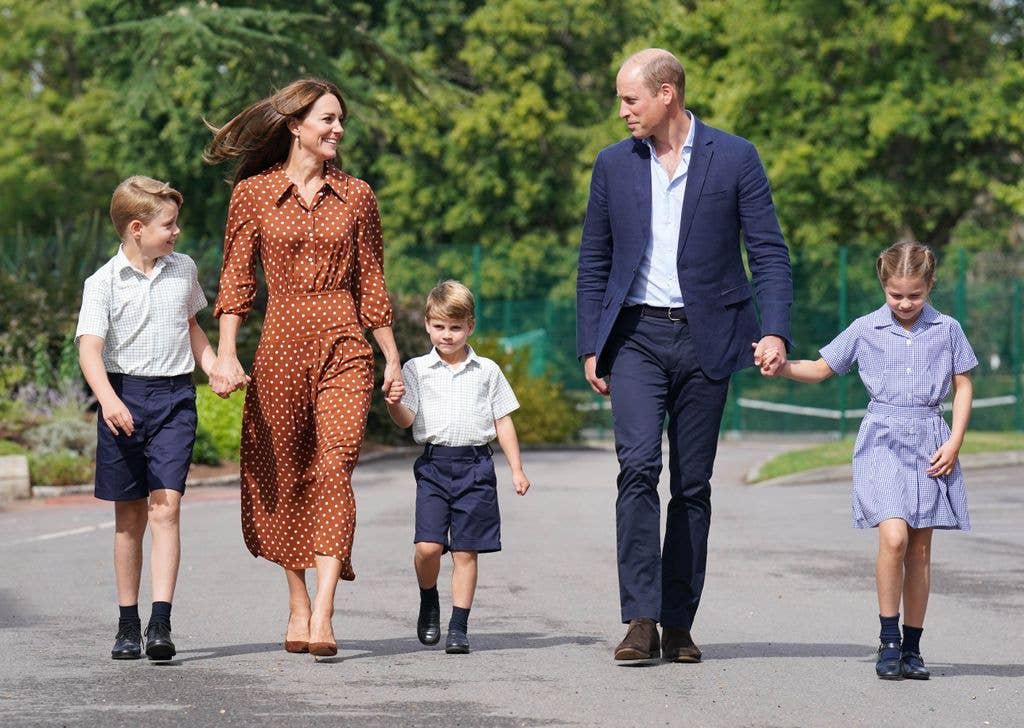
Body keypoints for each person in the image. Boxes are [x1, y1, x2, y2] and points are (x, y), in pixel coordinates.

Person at [576, 48, 793, 663]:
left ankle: (680, 623)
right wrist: (592, 342)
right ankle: (641, 620)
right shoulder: (613, 165)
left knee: (691, 485)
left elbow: (769, 253)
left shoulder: (736, 157)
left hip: (709, 339)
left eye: (630, 99)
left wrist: (774, 329)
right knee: (638, 470)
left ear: (666, 93)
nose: (622, 111)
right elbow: (593, 262)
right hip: (637, 338)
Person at [204, 78, 403, 658]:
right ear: (295, 125)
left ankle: (323, 612)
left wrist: (391, 356)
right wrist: (225, 353)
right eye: (327, 119)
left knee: (334, 467)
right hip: (281, 344)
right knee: (285, 472)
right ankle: (296, 603)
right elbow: (236, 284)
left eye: (340, 120)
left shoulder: (359, 195)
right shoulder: (253, 196)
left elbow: (372, 283)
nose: (338, 129)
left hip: (345, 343)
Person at [761, 241, 976, 680]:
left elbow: (963, 385)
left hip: (931, 441)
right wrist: (781, 366)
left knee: (918, 549)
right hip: (881, 439)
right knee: (893, 536)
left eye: (914, 295)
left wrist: (955, 441)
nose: (904, 303)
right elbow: (821, 369)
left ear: (930, 285)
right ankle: (889, 640)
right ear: (884, 286)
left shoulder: (948, 329)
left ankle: (913, 648)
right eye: (896, 294)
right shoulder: (866, 328)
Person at [76, 176, 215, 661]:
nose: (176, 233)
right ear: (137, 228)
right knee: (129, 516)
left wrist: (214, 366)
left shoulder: (183, 269)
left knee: (167, 506)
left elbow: (192, 327)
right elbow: (89, 350)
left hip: (175, 398)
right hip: (123, 398)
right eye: (168, 225)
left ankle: (160, 621)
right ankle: (127, 623)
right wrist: (108, 400)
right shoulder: (103, 283)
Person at [386, 280, 530, 654]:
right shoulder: (416, 370)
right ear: (427, 325)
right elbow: (406, 420)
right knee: (428, 547)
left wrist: (516, 468)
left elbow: (504, 421)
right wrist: (392, 402)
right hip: (435, 466)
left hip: (476, 466)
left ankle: (459, 627)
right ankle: (429, 597)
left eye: (455, 327)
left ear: (470, 327)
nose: (446, 335)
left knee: (466, 550)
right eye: (439, 327)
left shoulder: (487, 371)